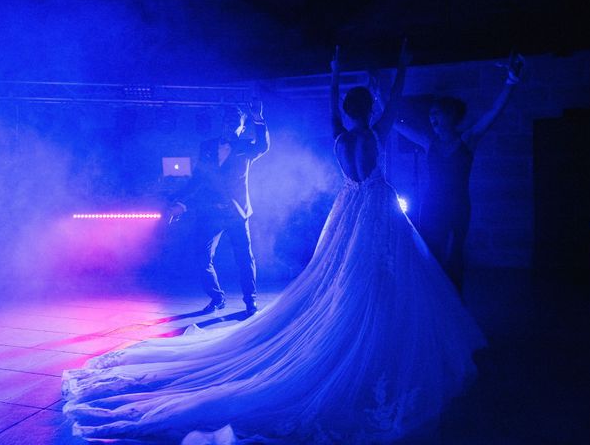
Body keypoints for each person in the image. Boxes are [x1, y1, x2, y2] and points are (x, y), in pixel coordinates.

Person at [62, 43, 485, 444]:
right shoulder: (375, 132)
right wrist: (403, 66)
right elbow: (393, 102)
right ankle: (371, 340)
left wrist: (336, 74)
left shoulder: (339, 132)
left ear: (345, 110)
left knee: (345, 275)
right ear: (369, 110)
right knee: (375, 273)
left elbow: (340, 108)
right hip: (374, 207)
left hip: (350, 206)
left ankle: (363, 328)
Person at [395, 52, 525, 291]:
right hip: (431, 205)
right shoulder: (428, 142)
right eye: (431, 114)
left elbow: (494, 113)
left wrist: (511, 82)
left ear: (451, 115)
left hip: (458, 205)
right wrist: (381, 101)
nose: (432, 117)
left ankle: (455, 303)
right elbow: (395, 124)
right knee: (431, 255)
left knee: (455, 255)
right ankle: (436, 301)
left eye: (437, 113)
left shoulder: (468, 140)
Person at [169, 102, 270, 316]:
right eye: (226, 121)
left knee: (244, 258)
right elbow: (198, 180)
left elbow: (263, 146)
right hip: (210, 213)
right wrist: (181, 202)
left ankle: (250, 301)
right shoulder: (206, 147)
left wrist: (259, 120)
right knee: (202, 258)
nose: (229, 125)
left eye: (234, 123)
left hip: (237, 213)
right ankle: (217, 298)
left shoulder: (246, 147)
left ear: (242, 128)